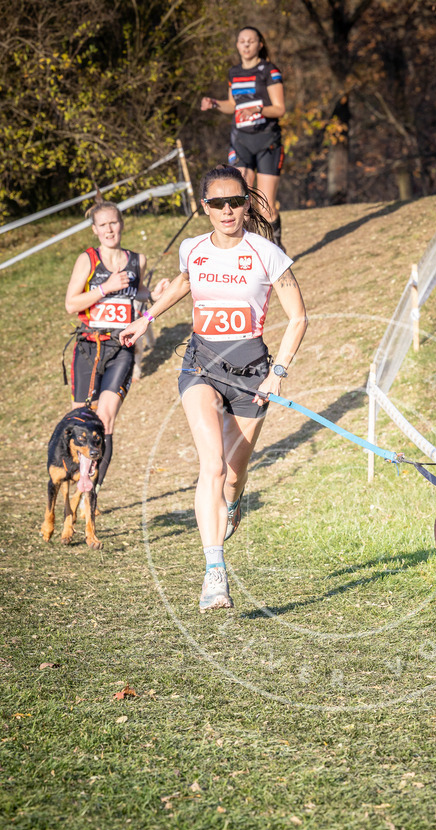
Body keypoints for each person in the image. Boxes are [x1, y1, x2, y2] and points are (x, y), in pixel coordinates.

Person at [120, 165, 307, 612]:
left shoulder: (267, 254)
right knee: (214, 465)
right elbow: (186, 283)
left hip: (251, 378)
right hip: (201, 368)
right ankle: (214, 574)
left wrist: (276, 373)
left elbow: (298, 318)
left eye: (236, 201)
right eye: (218, 203)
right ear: (204, 207)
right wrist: (144, 319)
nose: (228, 210)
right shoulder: (193, 249)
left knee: (234, 476)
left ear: (247, 202)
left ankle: (233, 504)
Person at [64, 200, 170, 491]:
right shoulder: (87, 260)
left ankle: (92, 492)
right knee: (81, 422)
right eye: (103, 225)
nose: (109, 229)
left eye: (114, 222)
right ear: (96, 230)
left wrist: (153, 294)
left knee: (106, 420)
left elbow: (137, 293)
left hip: (121, 348)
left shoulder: (138, 260)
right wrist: (104, 288)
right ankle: (75, 484)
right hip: (89, 346)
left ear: (121, 224)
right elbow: (71, 304)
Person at [201, 26, 286, 249]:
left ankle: (275, 246)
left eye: (251, 41)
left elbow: (279, 109)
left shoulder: (269, 70)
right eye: (242, 41)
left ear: (260, 44)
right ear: (237, 45)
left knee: (265, 206)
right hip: (241, 141)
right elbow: (232, 105)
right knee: (240, 199)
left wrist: (258, 110)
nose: (246, 45)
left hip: (267, 141)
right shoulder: (234, 73)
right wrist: (216, 103)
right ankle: (247, 250)